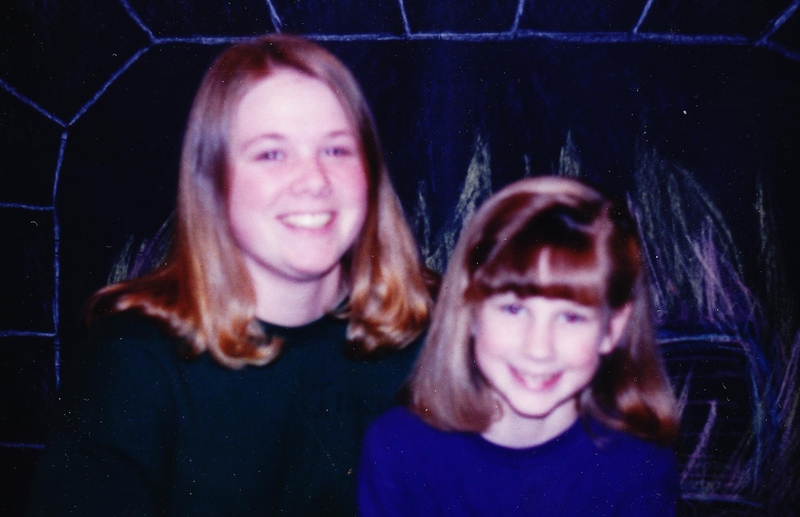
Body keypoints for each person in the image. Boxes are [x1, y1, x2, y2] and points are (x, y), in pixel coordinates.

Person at [28, 34, 433, 516]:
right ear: (212, 180)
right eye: (272, 154)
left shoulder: (435, 336)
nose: (314, 180)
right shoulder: (135, 364)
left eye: (337, 150)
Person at [359, 176, 681, 516]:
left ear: (611, 329)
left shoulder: (637, 464)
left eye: (571, 317)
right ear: (470, 311)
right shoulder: (399, 447)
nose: (538, 349)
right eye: (514, 309)